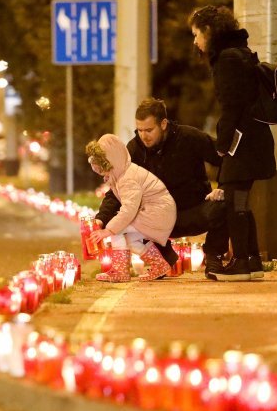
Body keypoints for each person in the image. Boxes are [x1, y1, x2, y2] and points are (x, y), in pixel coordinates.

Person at [188, 5, 276, 281]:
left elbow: (232, 106)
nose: (195, 41)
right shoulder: (240, 53)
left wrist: (222, 144)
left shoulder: (227, 59)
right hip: (253, 140)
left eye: (196, 34)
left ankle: (240, 262)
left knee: (232, 202)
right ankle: (251, 261)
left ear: (209, 31)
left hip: (242, 144)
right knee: (240, 202)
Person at [95, 98, 228, 278]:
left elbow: (225, 158)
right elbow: (117, 191)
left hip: (195, 210)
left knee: (225, 204)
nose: (144, 136)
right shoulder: (133, 149)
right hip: (158, 218)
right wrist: (101, 219)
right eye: (140, 130)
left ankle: (214, 258)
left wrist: (222, 187)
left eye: (149, 130)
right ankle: (163, 261)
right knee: (122, 217)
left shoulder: (189, 137)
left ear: (163, 124)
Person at [86, 134, 177, 282]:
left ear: (112, 162)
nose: (103, 175)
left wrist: (108, 230)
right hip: (156, 211)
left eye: (104, 170)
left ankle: (121, 272)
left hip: (157, 212)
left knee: (117, 231)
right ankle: (159, 264)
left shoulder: (127, 179)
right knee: (129, 240)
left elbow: (128, 210)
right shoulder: (123, 174)